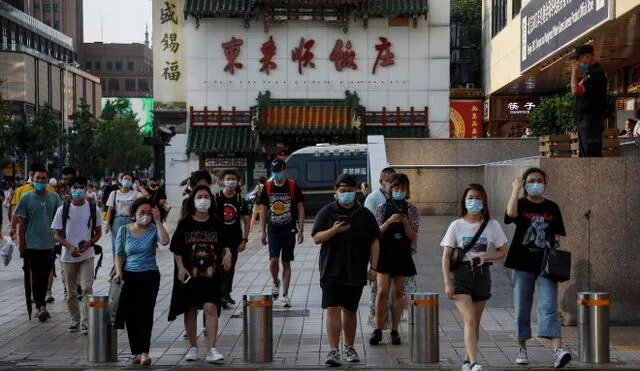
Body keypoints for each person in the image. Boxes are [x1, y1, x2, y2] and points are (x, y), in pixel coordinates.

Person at [504, 168, 571, 369]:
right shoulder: (521, 203)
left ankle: (557, 350)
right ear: (525, 183)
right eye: (531, 180)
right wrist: (515, 189)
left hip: (545, 265)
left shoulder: (552, 207)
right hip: (521, 262)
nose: (536, 183)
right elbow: (510, 214)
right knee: (522, 307)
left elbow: (557, 234)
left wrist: (554, 246)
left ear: (545, 183)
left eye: (540, 180)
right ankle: (522, 347)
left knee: (549, 306)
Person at [312, 174, 380, 366]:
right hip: (331, 268)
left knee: (350, 310)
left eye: (350, 191)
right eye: (342, 191)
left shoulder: (365, 214)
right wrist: (333, 230)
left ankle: (349, 347)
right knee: (333, 309)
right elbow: (317, 238)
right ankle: (333, 351)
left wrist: (374, 267)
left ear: (356, 192)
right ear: (335, 193)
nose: (346, 195)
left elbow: (375, 241)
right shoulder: (326, 212)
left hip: (356, 269)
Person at [441, 184, 508, 371]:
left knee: (475, 322)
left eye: (477, 198)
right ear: (464, 200)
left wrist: (487, 256)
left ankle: (466, 360)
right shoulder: (456, 225)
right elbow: (446, 255)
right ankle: (473, 363)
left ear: (484, 201)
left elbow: (502, 251)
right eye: (470, 197)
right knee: (469, 319)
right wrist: (447, 282)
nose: (473, 201)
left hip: (482, 275)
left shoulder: (492, 225)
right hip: (461, 276)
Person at [168, 185, 233, 363]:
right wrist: (181, 268)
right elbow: (176, 249)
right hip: (189, 275)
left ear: (211, 201)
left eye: (206, 196)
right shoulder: (185, 223)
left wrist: (228, 253)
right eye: (199, 196)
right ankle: (193, 347)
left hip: (211, 275)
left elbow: (226, 243)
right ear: (193, 200)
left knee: (211, 307)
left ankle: (212, 348)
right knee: (190, 309)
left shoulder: (216, 223)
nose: (203, 199)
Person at [112, 199, 169, 366]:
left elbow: (165, 241)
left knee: (145, 314)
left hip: (149, 276)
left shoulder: (153, 230)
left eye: (148, 213)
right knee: (131, 315)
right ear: (133, 214)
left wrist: (158, 221)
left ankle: (145, 352)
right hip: (128, 276)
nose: (145, 216)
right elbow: (119, 254)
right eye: (141, 212)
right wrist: (119, 272)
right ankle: (135, 352)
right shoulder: (123, 230)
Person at [369, 173, 419, 346]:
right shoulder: (382, 208)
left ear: (407, 190)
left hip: (402, 253)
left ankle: (395, 329)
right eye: (396, 188)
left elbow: (413, 236)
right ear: (390, 189)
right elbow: (375, 232)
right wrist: (389, 221)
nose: (399, 191)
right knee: (382, 291)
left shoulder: (411, 210)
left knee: (398, 291)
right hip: (384, 252)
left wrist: (405, 222)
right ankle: (378, 328)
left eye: (402, 189)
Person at [51, 176, 102, 334]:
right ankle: (75, 320)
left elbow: (98, 232)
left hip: (87, 255)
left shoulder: (94, 209)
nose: (78, 191)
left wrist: (89, 243)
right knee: (71, 291)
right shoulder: (63, 210)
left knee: (87, 288)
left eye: (81, 188)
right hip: (68, 256)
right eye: (75, 188)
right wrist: (69, 247)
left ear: (87, 189)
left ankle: (87, 321)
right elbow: (57, 234)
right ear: (69, 190)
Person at [13, 166, 62, 322]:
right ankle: (40, 306)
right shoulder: (26, 198)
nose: (40, 181)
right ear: (32, 180)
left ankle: (41, 303)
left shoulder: (54, 198)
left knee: (45, 274)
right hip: (32, 244)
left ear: (47, 180)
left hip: (49, 244)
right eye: (37, 178)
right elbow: (22, 223)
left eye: (43, 178)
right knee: (35, 275)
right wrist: (22, 244)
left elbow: (59, 220)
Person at [258, 159, 305, 307]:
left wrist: (301, 229)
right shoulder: (268, 186)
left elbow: (300, 208)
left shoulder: (292, 186)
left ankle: (285, 295)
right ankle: (275, 281)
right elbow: (264, 209)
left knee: (286, 263)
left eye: (279, 171)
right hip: (273, 230)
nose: (277, 174)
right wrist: (262, 232)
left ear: (285, 170)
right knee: (273, 261)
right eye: (274, 172)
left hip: (289, 229)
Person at [214, 170, 250, 307]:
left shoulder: (240, 200)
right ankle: (219, 293)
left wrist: (245, 240)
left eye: (233, 179)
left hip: (234, 239)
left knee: (230, 267)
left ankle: (226, 293)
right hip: (218, 239)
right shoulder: (216, 198)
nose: (230, 181)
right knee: (219, 266)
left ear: (238, 181)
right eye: (228, 178)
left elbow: (247, 221)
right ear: (222, 181)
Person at [571, 44, 608, 157]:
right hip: (588, 121)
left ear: (587, 57)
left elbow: (575, 91)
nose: (576, 62)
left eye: (578, 59)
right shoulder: (591, 73)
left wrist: (574, 72)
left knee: (590, 156)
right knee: (586, 156)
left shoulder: (595, 74)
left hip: (591, 121)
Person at [105, 173, 143, 255]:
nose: (127, 181)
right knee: (117, 243)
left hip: (131, 220)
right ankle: (117, 265)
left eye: (130, 180)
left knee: (130, 243)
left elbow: (146, 196)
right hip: (118, 220)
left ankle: (128, 264)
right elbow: (110, 210)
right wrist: (107, 224)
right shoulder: (114, 193)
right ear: (121, 180)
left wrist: (139, 186)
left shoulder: (135, 194)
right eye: (125, 178)